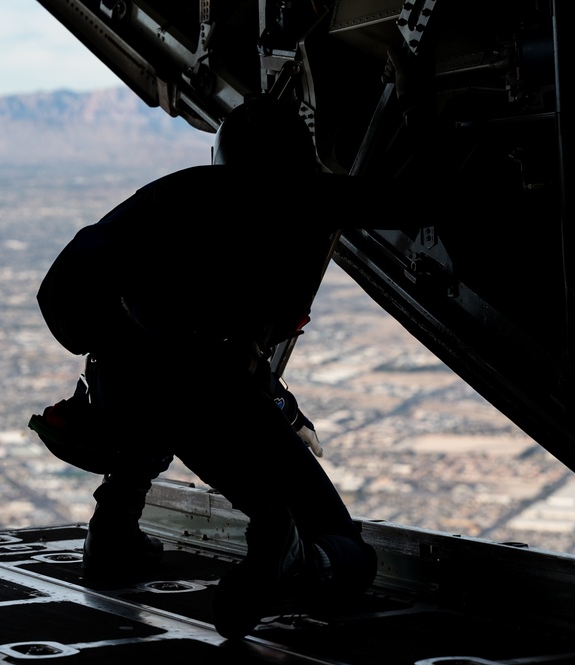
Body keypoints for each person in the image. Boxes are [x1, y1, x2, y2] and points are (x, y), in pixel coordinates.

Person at [28, 97, 388, 639]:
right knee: (346, 544)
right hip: (216, 402)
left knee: (152, 391)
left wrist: (126, 348)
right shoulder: (313, 201)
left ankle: (114, 534)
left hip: (127, 392)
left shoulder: (173, 193)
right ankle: (298, 558)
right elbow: (414, 203)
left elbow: (61, 292)